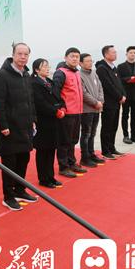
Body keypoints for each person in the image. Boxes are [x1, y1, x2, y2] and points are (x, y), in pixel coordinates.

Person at [0, 43, 38, 211]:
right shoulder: (2, 75)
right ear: (13, 55)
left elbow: (31, 100)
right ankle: (8, 196)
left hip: (25, 127)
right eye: (20, 54)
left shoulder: (26, 75)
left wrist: (33, 119)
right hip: (10, 128)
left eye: (26, 54)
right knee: (9, 164)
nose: (23, 57)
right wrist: (3, 125)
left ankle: (20, 190)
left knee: (23, 160)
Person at [53, 47, 88, 178]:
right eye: (72, 56)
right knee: (64, 141)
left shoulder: (77, 72)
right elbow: (55, 92)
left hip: (77, 112)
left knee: (73, 140)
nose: (75, 59)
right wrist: (61, 108)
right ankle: (63, 167)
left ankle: (72, 163)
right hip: (66, 113)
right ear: (65, 58)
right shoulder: (60, 73)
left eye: (77, 57)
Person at [30, 58, 64, 188]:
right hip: (42, 121)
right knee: (43, 151)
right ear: (36, 69)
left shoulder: (49, 81)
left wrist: (62, 107)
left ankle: (51, 176)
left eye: (48, 65)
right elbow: (40, 103)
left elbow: (58, 97)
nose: (47, 68)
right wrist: (55, 111)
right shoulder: (34, 83)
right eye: (44, 66)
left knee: (51, 149)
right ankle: (43, 178)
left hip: (54, 121)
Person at [95, 45, 127, 160]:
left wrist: (123, 94)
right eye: (113, 52)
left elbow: (119, 83)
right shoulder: (101, 68)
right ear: (106, 54)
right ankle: (105, 151)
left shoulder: (113, 67)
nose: (115, 54)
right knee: (107, 127)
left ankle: (112, 148)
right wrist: (119, 96)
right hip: (108, 102)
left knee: (114, 126)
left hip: (117, 102)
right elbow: (108, 86)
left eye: (115, 52)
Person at [79, 53, 106, 167]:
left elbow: (100, 88)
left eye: (91, 61)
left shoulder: (94, 73)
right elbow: (83, 93)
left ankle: (91, 154)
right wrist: (95, 102)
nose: (90, 63)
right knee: (86, 134)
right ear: (81, 63)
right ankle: (84, 157)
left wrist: (100, 101)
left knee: (93, 133)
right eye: (87, 61)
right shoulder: (79, 75)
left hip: (96, 109)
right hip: (87, 110)